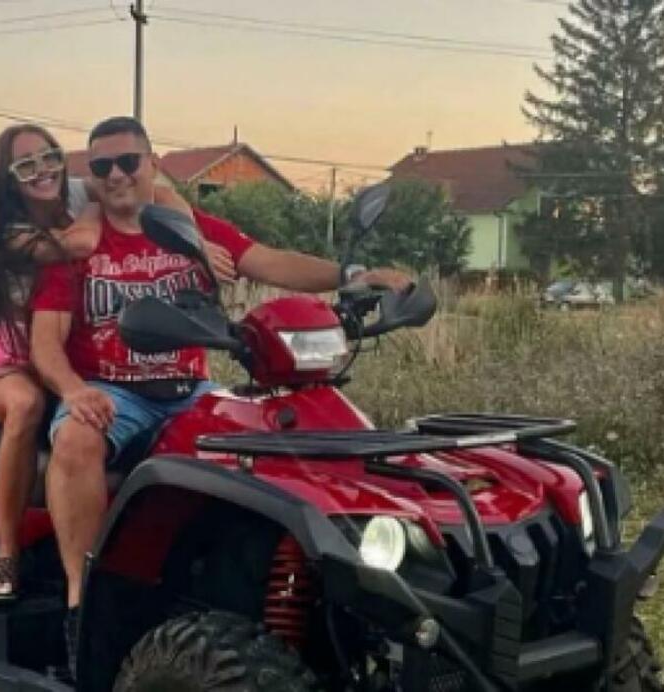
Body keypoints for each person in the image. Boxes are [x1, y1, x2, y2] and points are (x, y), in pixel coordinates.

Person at [29, 115, 412, 666]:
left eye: (128, 161)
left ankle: (289, 598)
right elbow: (46, 342)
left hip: (191, 390)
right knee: (75, 441)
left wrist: (353, 274)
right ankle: (84, 606)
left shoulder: (192, 232)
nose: (116, 175)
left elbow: (271, 261)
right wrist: (72, 392)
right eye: (102, 166)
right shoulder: (77, 249)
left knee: (283, 446)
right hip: (112, 391)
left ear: (152, 164)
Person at [0, 123, 231, 604]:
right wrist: (95, 212)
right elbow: (82, 245)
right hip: (14, 355)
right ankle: (5, 551)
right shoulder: (10, 230)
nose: (41, 171)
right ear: (9, 178)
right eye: (25, 165)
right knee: (27, 406)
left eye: (49, 157)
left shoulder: (78, 187)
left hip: (65, 350)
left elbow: (158, 190)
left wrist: (191, 236)